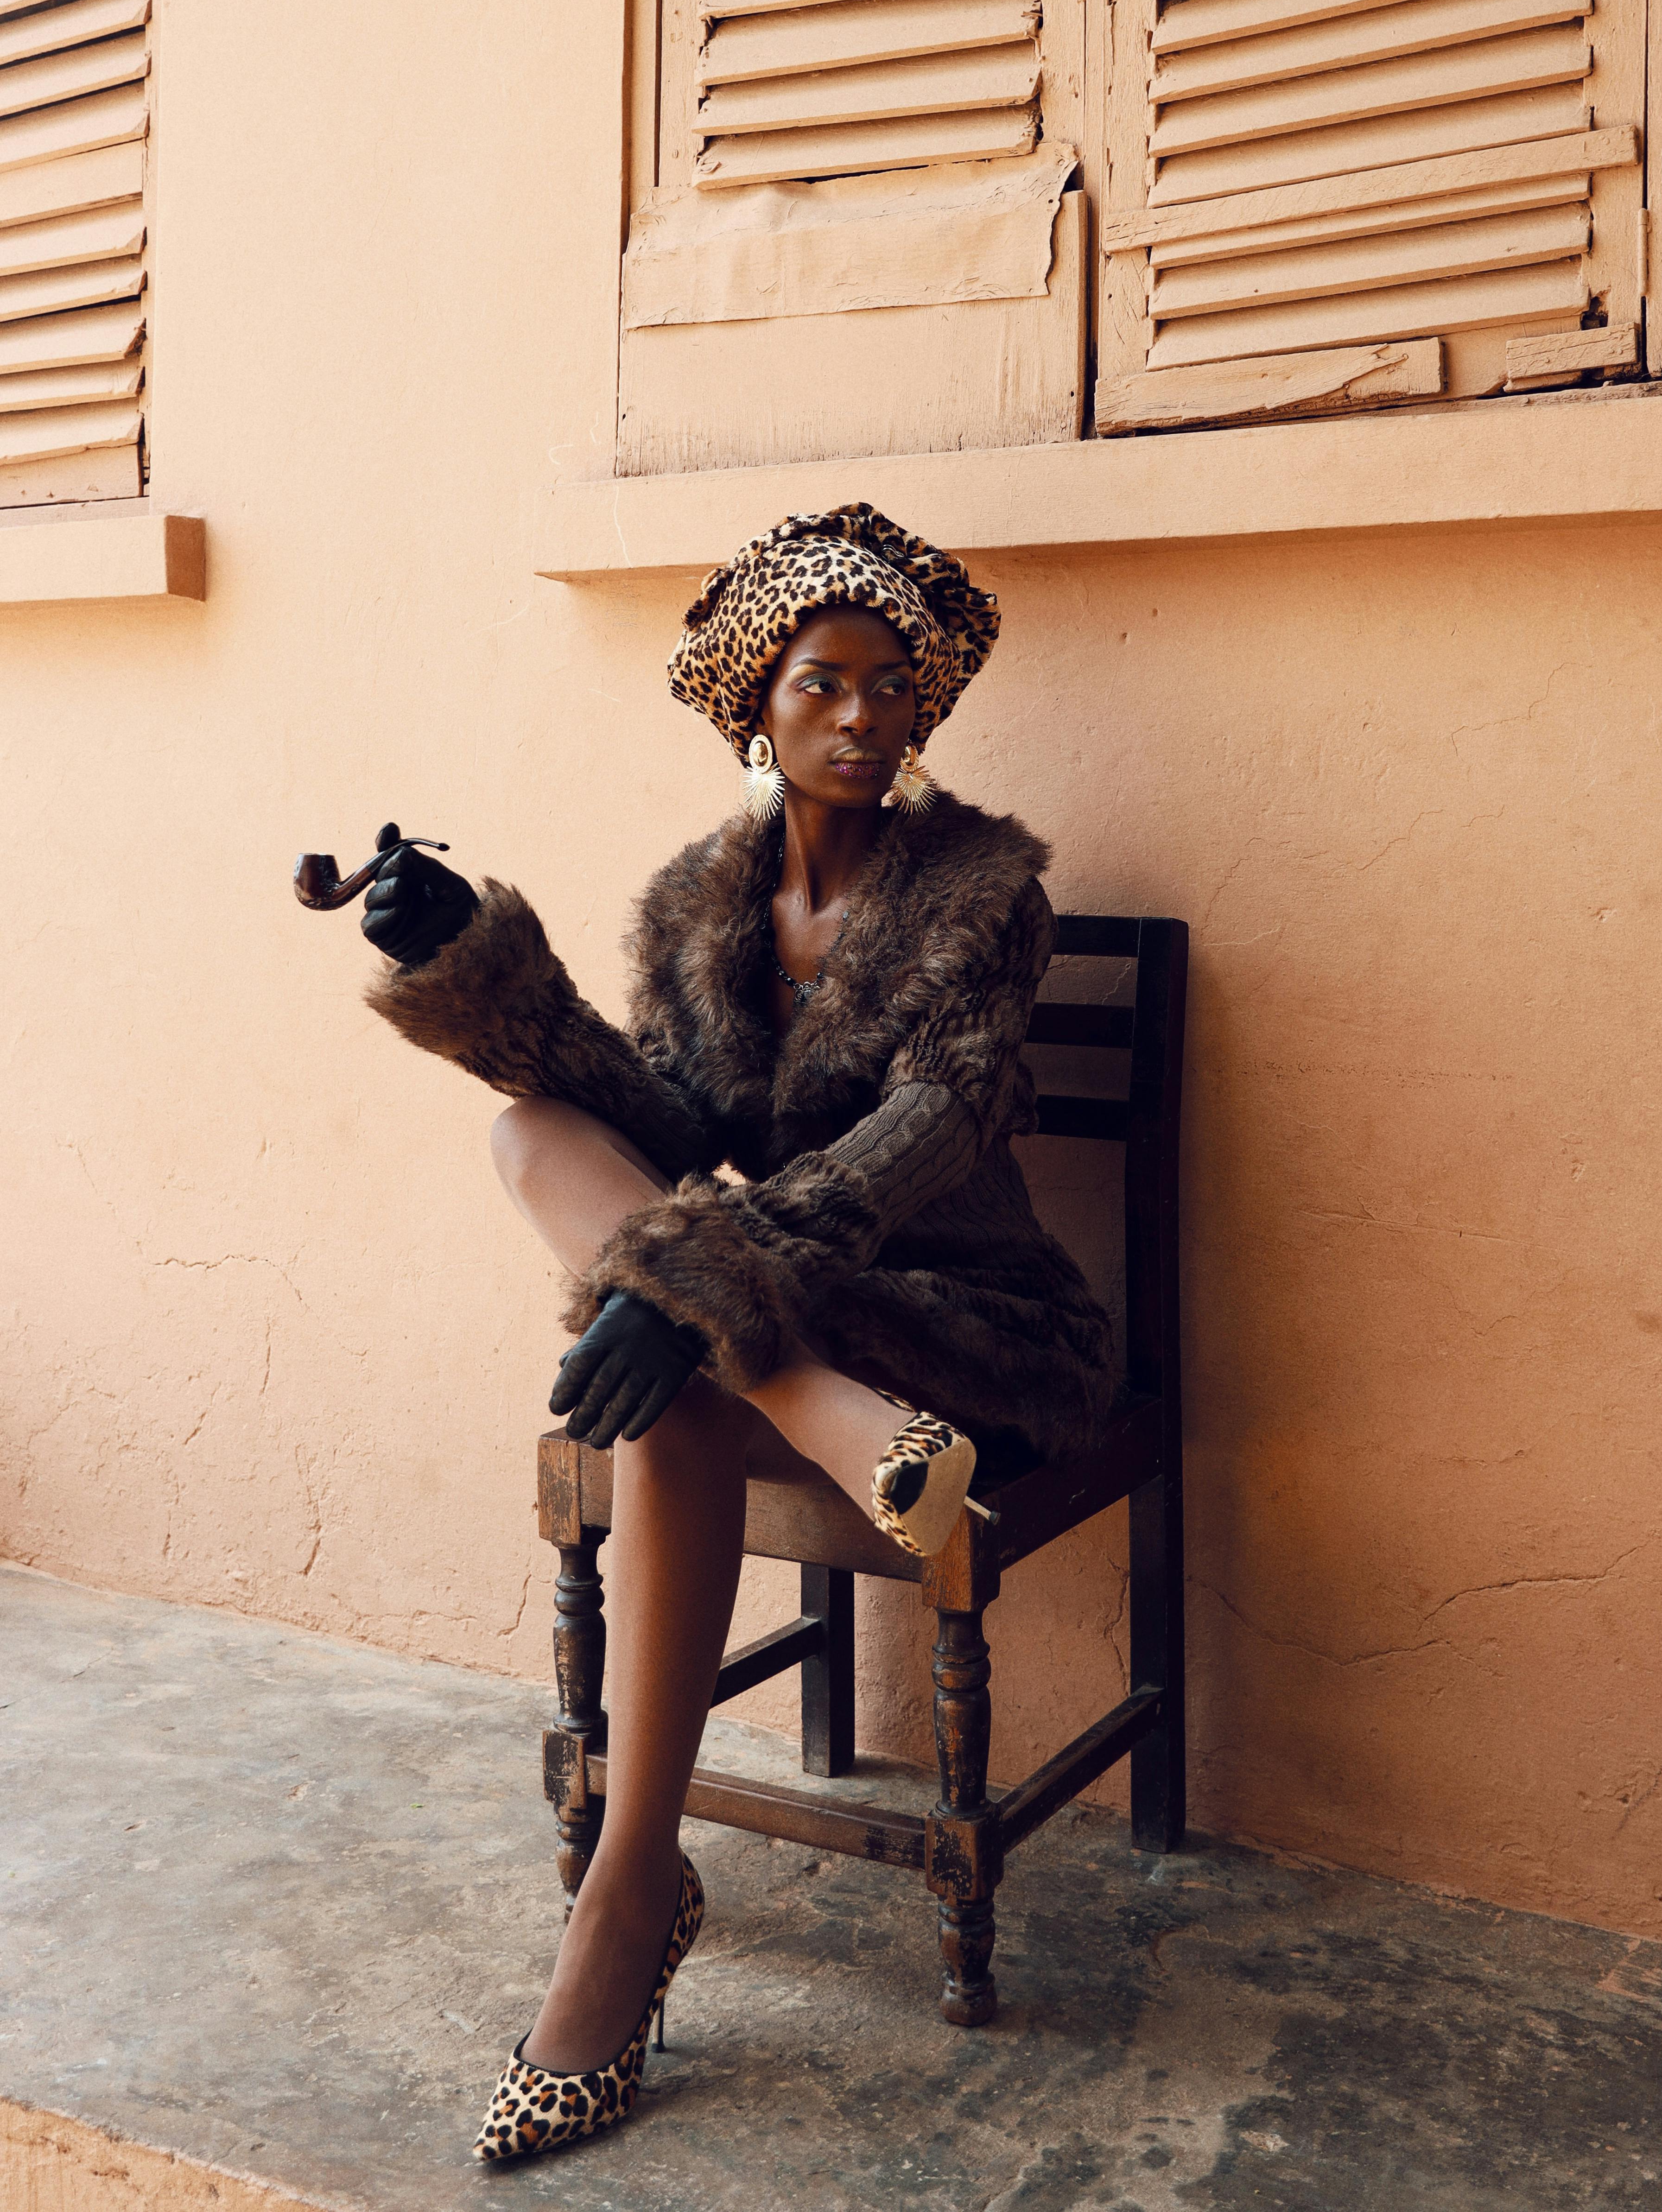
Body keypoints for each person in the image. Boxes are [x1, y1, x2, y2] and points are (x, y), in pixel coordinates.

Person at [353, 503, 1113, 2162]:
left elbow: (926, 1130)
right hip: (805, 1340)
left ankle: (625, 1915)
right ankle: (643, 1870)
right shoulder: (697, 904)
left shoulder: (987, 895)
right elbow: (645, 1111)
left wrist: (698, 1271)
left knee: (673, 1366)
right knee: (525, 1134)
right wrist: (462, 955)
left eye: (892, 686)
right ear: (751, 704)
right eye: (825, 683)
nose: (863, 717)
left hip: (958, 1322)